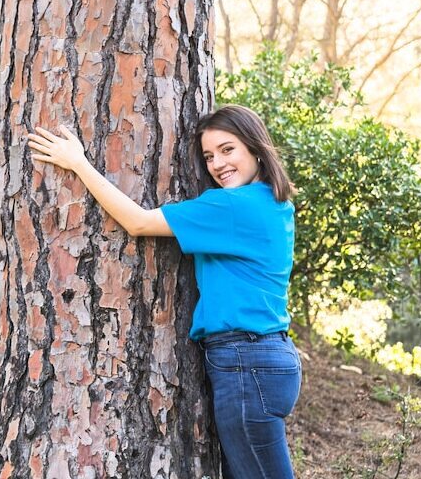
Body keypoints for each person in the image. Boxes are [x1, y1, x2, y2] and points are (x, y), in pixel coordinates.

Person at [27, 104, 301, 479]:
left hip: (246, 362)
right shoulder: (272, 201)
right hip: (262, 357)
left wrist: (79, 164)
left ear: (255, 147)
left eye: (227, 149)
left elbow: (138, 222)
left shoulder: (233, 206)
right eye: (209, 156)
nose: (217, 164)